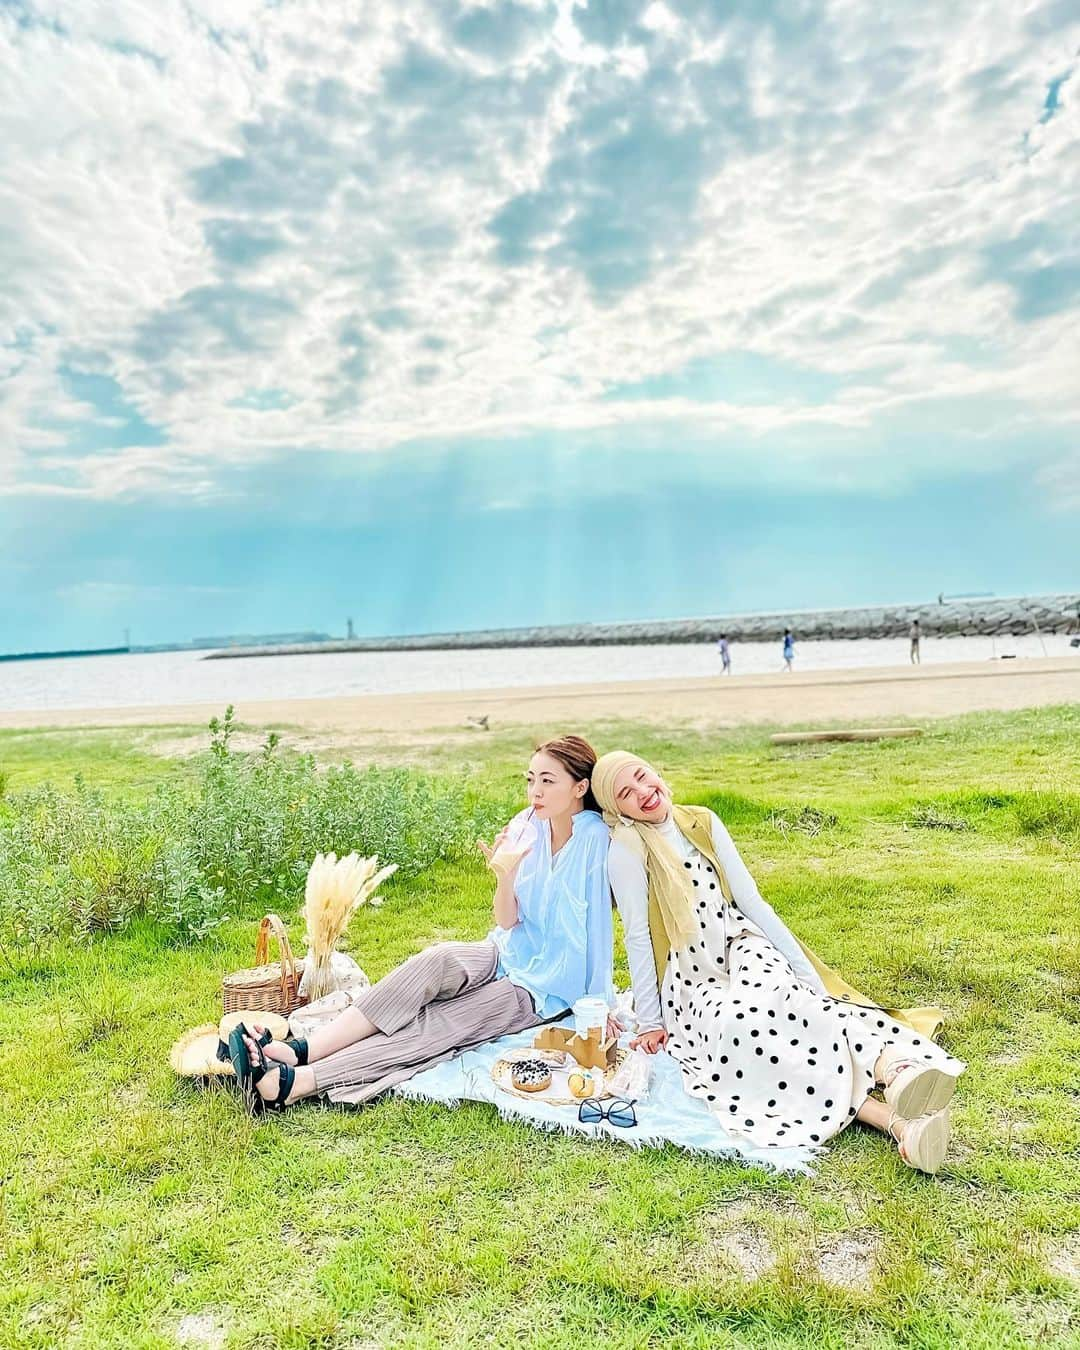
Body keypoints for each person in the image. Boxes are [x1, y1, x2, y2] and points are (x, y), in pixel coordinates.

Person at [591, 750, 964, 1173]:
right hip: (691, 975)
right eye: (626, 792)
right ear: (615, 807)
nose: (643, 792)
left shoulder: (702, 821)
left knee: (793, 1001)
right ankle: (898, 1124)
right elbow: (637, 935)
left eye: (642, 776)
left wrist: (806, 975)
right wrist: (651, 1021)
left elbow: (751, 901)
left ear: (656, 770)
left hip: (737, 941)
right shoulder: (627, 848)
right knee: (743, 1029)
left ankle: (892, 1070)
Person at [232, 736, 614, 1113]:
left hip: (546, 988)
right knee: (435, 961)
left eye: (548, 781)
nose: (536, 791)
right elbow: (507, 920)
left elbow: (598, 930)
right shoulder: (527, 824)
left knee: (442, 1022)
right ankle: (303, 1049)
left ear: (580, 787)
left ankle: (296, 1083)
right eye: (531, 779)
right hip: (507, 951)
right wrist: (505, 875)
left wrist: (599, 1009)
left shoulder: (593, 839)